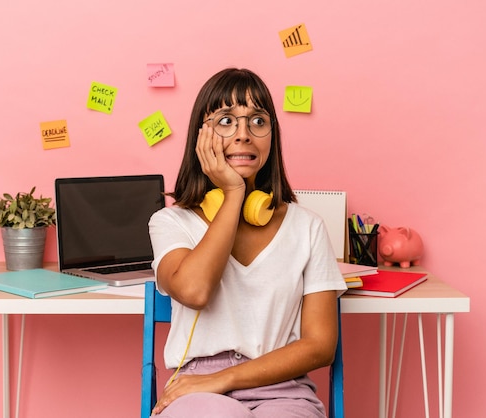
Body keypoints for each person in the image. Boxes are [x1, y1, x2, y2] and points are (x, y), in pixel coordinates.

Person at [148, 68, 347, 417]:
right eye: (226, 121)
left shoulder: (308, 226)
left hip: (285, 392)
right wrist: (233, 193)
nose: (244, 135)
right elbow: (194, 291)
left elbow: (320, 346)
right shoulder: (170, 222)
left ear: (272, 136)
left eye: (257, 121)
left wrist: (225, 378)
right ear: (201, 137)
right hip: (195, 389)